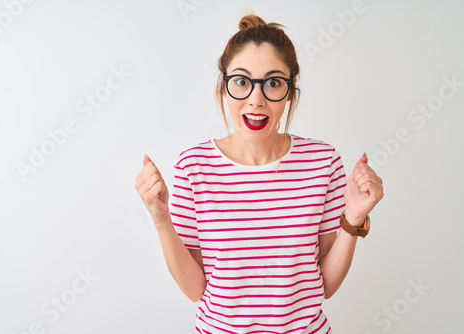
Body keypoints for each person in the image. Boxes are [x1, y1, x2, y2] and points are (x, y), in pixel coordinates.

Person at [135, 12, 384, 334]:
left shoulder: (323, 163)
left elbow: (324, 288)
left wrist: (353, 219)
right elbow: (195, 290)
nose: (256, 100)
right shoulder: (194, 166)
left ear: (291, 90)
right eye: (241, 81)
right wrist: (159, 217)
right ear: (224, 88)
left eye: (273, 83)